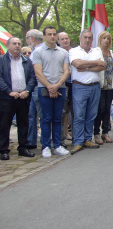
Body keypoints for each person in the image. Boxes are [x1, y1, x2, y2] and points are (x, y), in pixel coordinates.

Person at [32, 26, 70, 158]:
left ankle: (58, 145)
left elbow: (66, 71)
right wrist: (50, 87)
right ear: (44, 36)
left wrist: (57, 85)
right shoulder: (38, 52)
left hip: (60, 87)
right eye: (49, 34)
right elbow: (38, 72)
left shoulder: (63, 52)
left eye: (54, 34)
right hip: (44, 88)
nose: (52, 37)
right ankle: (46, 146)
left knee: (58, 117)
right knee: (46, 118)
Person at [69, 29, 106, 154]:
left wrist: (86, 67)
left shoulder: (97, 50)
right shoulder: (73, 51)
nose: (87, 40)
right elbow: (77, 64)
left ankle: (87, 139)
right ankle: (78, 142)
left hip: (95, 87)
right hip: (80, 87)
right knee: (79, 115)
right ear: (80, 38)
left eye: (89, 37)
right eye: (85, 37)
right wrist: (95, 63)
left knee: (91, 115)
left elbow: (103, 66)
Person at [0, 37, 36, 160]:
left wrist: (27, 90)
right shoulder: (1, 60)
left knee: (23, 123)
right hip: (7, 98)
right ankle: (3, 150)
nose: (17, 46)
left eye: (19, 44)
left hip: (23, 97)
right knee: (4, 124)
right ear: (8, 46)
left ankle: (23, 148)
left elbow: (32, 77)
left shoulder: (27, 61)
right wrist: (9, 91)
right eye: (14, 43)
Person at [93, 31, 113, 144]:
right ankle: (96, 133)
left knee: (107, 110)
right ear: (100, 39)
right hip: (100, 85)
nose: (106, 40)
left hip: (110, 85)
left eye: (108, 38)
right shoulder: (96, 52)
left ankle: (105, 132)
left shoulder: (112, 53)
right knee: (100, 109)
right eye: (104, 38)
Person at [26, 29, 43, 149]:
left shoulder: (39, 51)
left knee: (42, 116)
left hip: (39, 86)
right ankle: (31, 141)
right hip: (32, 88)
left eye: (27, 39)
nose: (27, 42)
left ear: (32, 38)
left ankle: (43, 142)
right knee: (31, 116)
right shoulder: (33, 51)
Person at [57, 32, 73, 143]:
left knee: (71, 111)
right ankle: (61, 136)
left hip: (74, 84)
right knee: (63, 111)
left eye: (66, 38)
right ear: (58, 41)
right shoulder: (57, 53)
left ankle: (68, 133)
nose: (65, 41)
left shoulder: (74, 52)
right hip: (62, 84)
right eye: (62, 39)